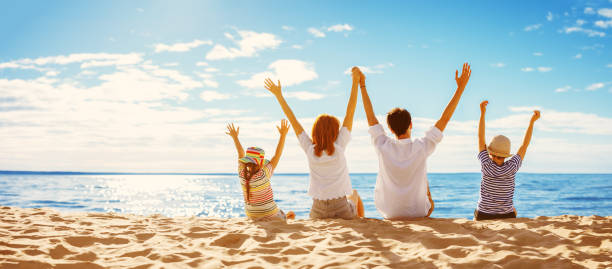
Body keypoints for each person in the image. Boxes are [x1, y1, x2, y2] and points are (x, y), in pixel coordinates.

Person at [359, 63, 472, 219]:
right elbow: (444, 119)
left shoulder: (382, 145)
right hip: (419, 212)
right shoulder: (422, 146)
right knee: (426, 186)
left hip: (389, 213)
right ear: (411, 125)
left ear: (390, 130)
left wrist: (362, 86)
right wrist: (460, 89)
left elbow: (370, 117)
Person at [263, 68, 365, 220]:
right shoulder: (339, 146)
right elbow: (350, 112)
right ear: (334, 132)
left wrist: (279, 96)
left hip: (318, 210)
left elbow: (293, 120)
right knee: (355, 194)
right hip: (341, 209)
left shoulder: (310, 150)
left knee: (349, 198)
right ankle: (360, 221)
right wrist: (355, 83)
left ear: (315, 132)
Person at [475, 100, 540, 220]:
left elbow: (480, 138)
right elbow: (524, 145)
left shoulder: (485, 164)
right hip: (506, 216)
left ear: (491, 153)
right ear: (505, 155)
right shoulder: (512, 167)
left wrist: (482, 114)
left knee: (477, 211)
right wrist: (531, 122)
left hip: (483, 215)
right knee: (514, 210)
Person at [226, 120, 295, 221]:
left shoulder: (241, 174)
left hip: (251, 215)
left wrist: (235, 137)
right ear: (260, 163)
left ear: (246, 162)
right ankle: (287, 216)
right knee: (291, 214)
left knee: (284, 214)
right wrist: (283, 135)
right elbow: (277, 155)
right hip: (270, 215)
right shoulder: (264, 173)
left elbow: (240, 153)